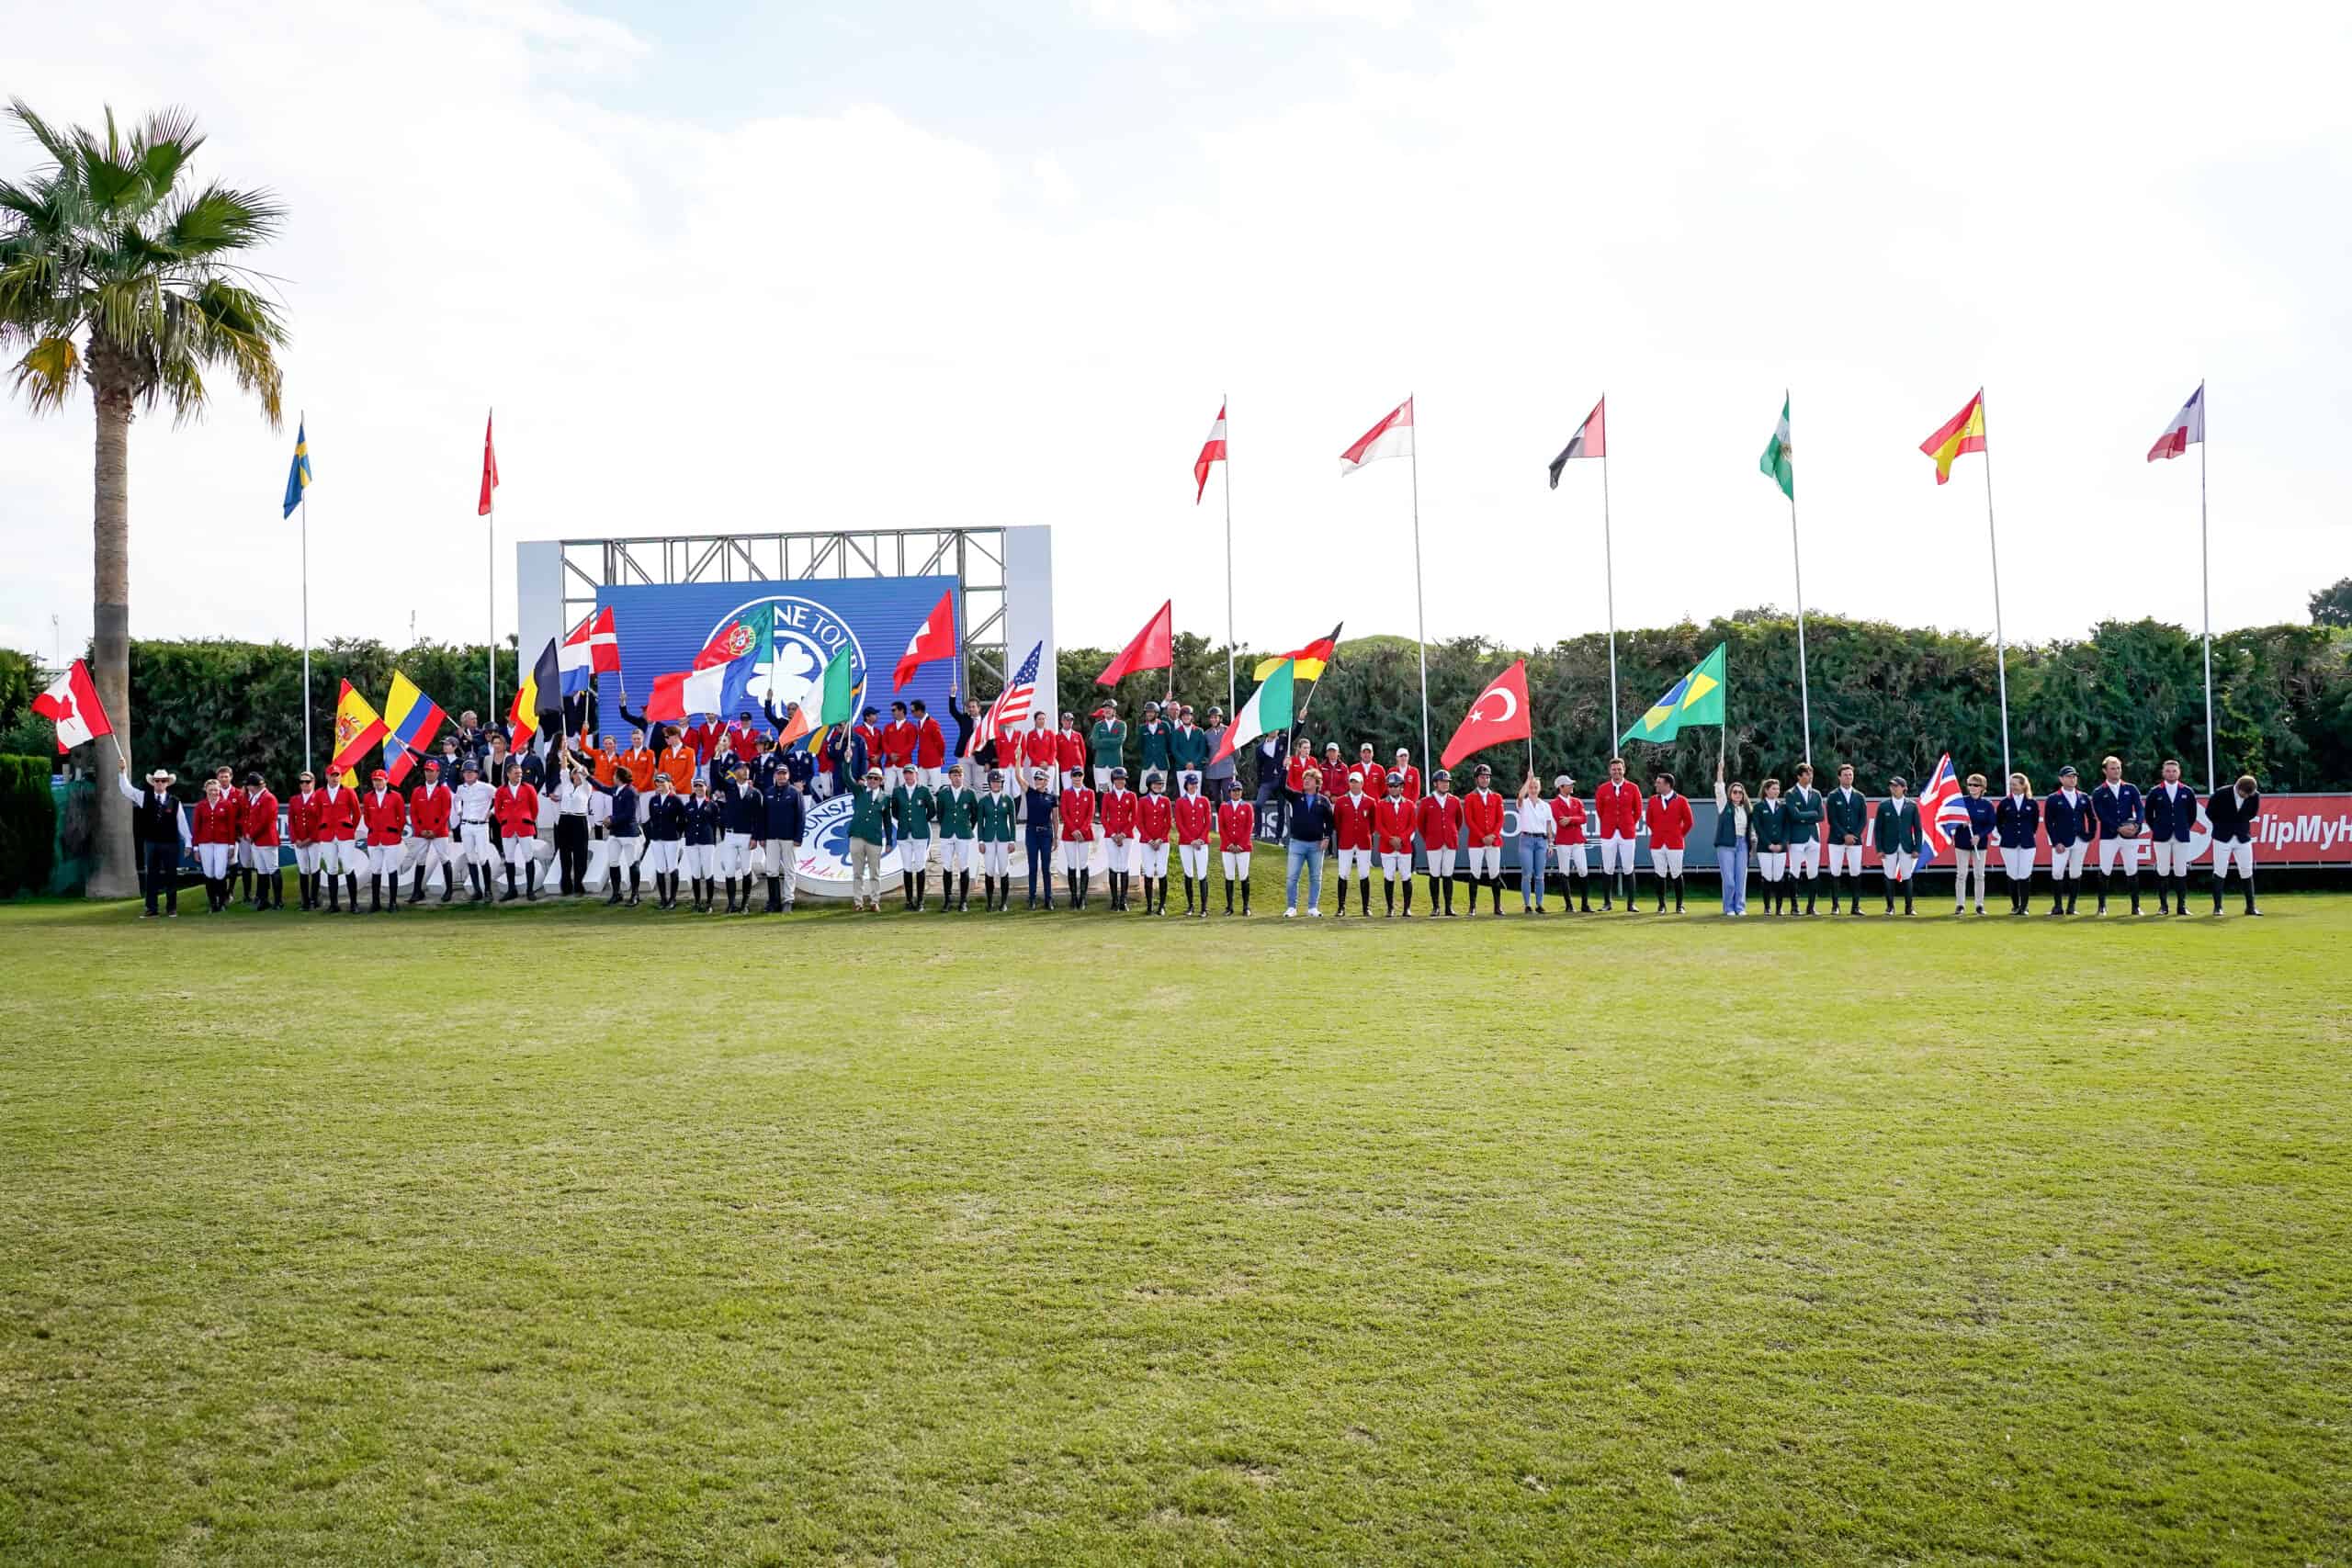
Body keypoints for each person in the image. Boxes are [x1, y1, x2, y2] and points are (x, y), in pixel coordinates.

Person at [120, 765, 187, 917]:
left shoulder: (175, 801)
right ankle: (151, 908)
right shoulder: (144, 796)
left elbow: (182, 823)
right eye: (157, 780)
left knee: (171, 875)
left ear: (167, 783)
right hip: (151, 842)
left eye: (163, 781)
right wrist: (123, 772)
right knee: (151, 876)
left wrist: (189, 842)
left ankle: (171, 908)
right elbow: (126, 789)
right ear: (153, 782)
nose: (160, 783)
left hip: (170, 843)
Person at [2090, 754, 2147, 916]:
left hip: (2130, 836)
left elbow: (2140, 809)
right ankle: (2102, 906)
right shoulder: (2099, 792)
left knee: (2132, 868)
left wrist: (2137, 825)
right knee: (2105, 869)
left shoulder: (2131, 788)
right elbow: (2101, 815)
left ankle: (2136, 906)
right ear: (2105, 771)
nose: (2116, 771)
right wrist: (2117, 828)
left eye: (2118, 768)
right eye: (2113, 768)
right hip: (2109, 837)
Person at [2144, 759, 2199, 916]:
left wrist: (2184, 827)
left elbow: (2192, 814)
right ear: (2163, 773)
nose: (2171, 774)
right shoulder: (2155, 792)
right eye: (2168, 771)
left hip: (2181, 835)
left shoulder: (2187, 791)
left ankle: (2182, 906)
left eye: (2174, 771)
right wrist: (2157, 828)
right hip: (2161, 836)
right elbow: (2148, 815)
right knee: (2163, 869)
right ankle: (2163, 906)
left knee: (2181, 869)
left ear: (2179, 773)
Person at [2206, 773, 2262, 916]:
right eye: (2244, 794)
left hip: (2243, 836)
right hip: (2222, 837)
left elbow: (2252, 814)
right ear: (2238, 787)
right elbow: (2209, 812)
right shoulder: (2221, 793)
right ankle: (2218, 907)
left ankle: (2251, 907)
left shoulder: (2255, 796)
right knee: (2220, 870)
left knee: (2247, 870)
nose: (2247, 797)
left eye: (2249, 795)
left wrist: (2239, 823)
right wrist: (2223, 824)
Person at [588, 764, 644, 906]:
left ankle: (635, 894)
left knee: (632, 863)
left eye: (614, 775)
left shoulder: (631, 792)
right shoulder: (616, 790)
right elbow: (601, 787)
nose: (613, 777)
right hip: (615, 833)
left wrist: (612, 819)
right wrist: (587, 776)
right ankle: (616, 893)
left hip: (629, 833)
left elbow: (629, 814)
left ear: (619, 777)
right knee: (613, 862)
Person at [1283, 765, 1335, 919]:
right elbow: (1281, 787)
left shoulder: (1324, 801)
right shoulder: (1296, 797)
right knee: (1292, 877)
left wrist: (1327, 837)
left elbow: (1330, 822)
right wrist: (1285, 769)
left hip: (1316, 845)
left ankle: (1312, 907)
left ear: (1317, 783)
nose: (1306, 781)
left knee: (1315, 878)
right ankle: (1291, 907)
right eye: (1305, 779)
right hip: (1297, 843)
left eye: (1310, 779)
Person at [1593, 757, 1642, 912]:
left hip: (1627, 833)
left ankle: (1631, 903)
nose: (1617, 772)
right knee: (1608, 867)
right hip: (1608, 833)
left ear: (1624, 770)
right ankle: (1607, 902)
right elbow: (1600, 810)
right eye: (1614, 769)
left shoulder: (1633, 788)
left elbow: (1638, 811)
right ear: (1610, 771)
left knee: (1628, 867)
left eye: (1619, 769)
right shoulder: (1602, 789)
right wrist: (1610, 823)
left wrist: (1628, 823)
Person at [2043, 765, 2093, 916]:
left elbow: (2091, 818)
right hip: (2062, 841)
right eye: (2069, 776)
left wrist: (2089, 835)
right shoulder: (2053, 798)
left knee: (2076, 872)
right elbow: (2048, 823)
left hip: (2080, 839)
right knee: (2057, 872)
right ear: (2061, 779)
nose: (2072, 779)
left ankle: (2072, 906)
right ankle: (2058, 906)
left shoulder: (2083, 797)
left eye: (2074, 776)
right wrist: (2055, 841)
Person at [1459, 763, 1508, 916]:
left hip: (1493, 841)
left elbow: (1500, 819)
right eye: (1482, 777)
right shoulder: (1470, 797)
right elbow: (1469, 820)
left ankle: (1497, 906)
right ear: (1476, 779)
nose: (1485, 779)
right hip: (1476, 841)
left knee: (1495, 873)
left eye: (1487, 777)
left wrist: (1493, 835)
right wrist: (1482, 836)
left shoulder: (1497, 797)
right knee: (1475, 873)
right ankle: (1472, 907)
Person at [407, 761, 458, 905]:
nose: (429, 773)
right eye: (427, 771)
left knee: (444, 859)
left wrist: (435, 830)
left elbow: (446, 812)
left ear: (437, 772)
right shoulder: (417, 791)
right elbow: (413, 813)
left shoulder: (444, 790)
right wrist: (420, 830)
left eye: (432, 771)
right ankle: (417, 892)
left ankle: (449, 890)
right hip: (421, 832)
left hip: (439, 832)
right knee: (420, 860)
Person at [716, 761, 763, 913]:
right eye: (742, 769)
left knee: (746, 869)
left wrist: (755, 837)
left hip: (746, 836)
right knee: (729, 870)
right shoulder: (729, 788)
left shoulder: (755, 793)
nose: (746, 771)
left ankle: (745, 904)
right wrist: (716, 758)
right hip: (730, 835)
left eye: (747, 768)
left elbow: (759, 818)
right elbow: (716, 776)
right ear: (735, 773)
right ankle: (731, 904)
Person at [933, 760, 979, 911]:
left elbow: (975, 815)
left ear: (963, 776)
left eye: (959, 775)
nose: (957, 778)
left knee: (963, 866)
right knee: (947, 866)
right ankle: (947, 900)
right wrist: (947, 825)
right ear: (950, 777)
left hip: (963, 834)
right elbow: (940, 814)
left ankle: (963, 901)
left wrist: (967, 826)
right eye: (954, 775)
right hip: (947, 834)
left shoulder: (970, 793)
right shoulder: (943, 793)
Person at [360, 768, 408, 914]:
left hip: (391, 839)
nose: (377, 783)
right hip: (374, 839)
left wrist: (395, 833)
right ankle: (375, 903)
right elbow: (367, 818)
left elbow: (401, 818)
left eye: (380, 780)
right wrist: (374, 829)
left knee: (392, 869)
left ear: (386, 780)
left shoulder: (396, 796)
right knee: (375, 870)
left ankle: (393, 902)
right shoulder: (368, 797)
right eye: (375, 780)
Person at [1645, 771, 1695, 914]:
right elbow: (1649, 820)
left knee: (1676, 873)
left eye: (1659, 783)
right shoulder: (1653, 800)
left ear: (1667, 785)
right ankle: (1661, 905)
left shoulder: (1681, 800)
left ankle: (1679, 905)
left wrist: (1679, 835)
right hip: (1657, 843)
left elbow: (1689, 822)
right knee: (1659, 873)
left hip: (1675, 844)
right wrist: (1659, 832)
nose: (1656, 785)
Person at [1418, 768, 1465, 917]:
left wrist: (1451, 833)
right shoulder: (1426, 802)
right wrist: (1429, 837)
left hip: (1450, 842)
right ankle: (1436, 907)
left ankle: (1449, 907)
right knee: (1434, 874)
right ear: (1435, 784)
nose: (1445, 784)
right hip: (1433, 842)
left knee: (1448, 874)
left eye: (1447, 782)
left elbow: (1459, 821)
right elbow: (1421, 824)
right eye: (1442, 782)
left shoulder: (1454, 800)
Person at [888, 764, 936, 911]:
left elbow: (932, 811)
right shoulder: (898, 791)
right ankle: (909, 901)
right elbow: (895, 811)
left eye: (911, 773)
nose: (908, 776)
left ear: (916, 774)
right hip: (904, 834)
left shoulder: (924, 790)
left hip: (920, 834)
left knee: (920, 866)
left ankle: (920, 901)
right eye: (906, 773)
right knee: (907, 867)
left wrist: (921, 821)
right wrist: (905, 822)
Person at [1873, 773, 1922, 915]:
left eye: (1896, 786)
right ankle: (1890, 907)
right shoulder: (1884, 806)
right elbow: (1878, 829)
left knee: (1907, 875)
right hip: (1888, 846)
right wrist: (1879, 848)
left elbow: (1918, 829)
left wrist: (1917, 848)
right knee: (1889, 875)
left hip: (1907, 845)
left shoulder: (1912, 805)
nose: (1893, 788)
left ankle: (1909, 907)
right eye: (1891, 786)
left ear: (1904, 788)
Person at [314, 767, 362, 912]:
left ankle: (354, 904)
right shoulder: (319, 793)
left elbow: (357, 813)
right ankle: (334, 905)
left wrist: (351, 829)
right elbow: (317, 814)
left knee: (348, 867)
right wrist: (322, 828)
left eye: (337, 775)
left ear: (340, 776)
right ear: (326, 776)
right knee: (331, 868)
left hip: (345, 835)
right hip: (327, 835)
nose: (335, 778)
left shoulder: (348, 791)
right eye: (332, 775)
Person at [1950, 772, 1997, 916]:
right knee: (1961, 874)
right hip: (1962, 842)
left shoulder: (1987, 805)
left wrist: (1979, 836)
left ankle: (1979, 905)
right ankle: (1960, 905)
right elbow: (1951, 818)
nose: (1972, 787)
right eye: (1970, 784)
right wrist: (1960, 823)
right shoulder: (1961, 802)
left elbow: (1991, 824)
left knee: (1979, 875)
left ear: (1982, 787)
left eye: (1975, 785)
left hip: (1980, 844)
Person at [1333, 769, 1379, 917]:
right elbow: (1337, 823)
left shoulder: (1370, 801)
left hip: (1364, 842)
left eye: (1357, 782)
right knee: (1343, 873)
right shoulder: (1341, 801)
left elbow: (1373, 824)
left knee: (1364, 873)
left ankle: (1366, 908)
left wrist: (1366, 833)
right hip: (1346, 841)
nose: (1354, 785)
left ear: (1362, 783)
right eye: (1352, 782)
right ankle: (1341, 907)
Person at [187, 777, 238, 912]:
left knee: (220, 872)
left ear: (219, 790)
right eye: (210, 790)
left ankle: (222, 902)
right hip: (205, 843)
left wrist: (232, 845)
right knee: (208, 873)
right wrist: (195, 848)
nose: (213, 792)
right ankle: (212, 904)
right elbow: (196, 828)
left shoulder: (226, 804)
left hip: (222, 843)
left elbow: (231, 826)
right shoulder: (201, 806)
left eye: (216, 790)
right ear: (206, 790)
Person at [492, 762, 541, 902]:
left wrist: (528, 819)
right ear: (508, 774)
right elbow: (497, 810)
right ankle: (511, 890)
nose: (519, 775)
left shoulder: (529, 788)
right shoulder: (501, 790)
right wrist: (504, 821)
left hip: (525, 827)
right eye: (516, 773)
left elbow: (535, 808)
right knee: (509, 859)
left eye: (520, 773)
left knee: (529, 857)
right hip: (508, 828)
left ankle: (530, 890)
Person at [1824, 763, 1868, 914]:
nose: (1848, 777)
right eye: (1845, 775)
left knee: (1855, 871)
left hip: (1855, 841)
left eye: (1850, 775)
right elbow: (1832, 819)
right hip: (1836, 840)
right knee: (1835, 871)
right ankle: (1835, 906)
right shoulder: (1833, 796)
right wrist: (1844, 835)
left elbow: (1863, 819)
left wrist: (1853, 835)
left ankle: (1856, 906)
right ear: (1839, 777)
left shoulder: (1859, 796)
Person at [1995, 773, 2040, 916]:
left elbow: (2034, 824)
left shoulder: (2032, 803)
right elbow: (1999, 822)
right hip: (2008, 843)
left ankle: (2024, 907)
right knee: (2012, 874)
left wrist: (2026, 834)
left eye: (2015, 784)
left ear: (2023, 785)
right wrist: (2007, 834)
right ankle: (2015, 906)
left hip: (2027, 843)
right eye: (2011, 784)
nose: (2012, 787)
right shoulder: (2004, 803)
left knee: (2025, 873)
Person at [1712, 761, 1754, 917]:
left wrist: (1751, 847)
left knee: (1741, 878)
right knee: (1729, 880)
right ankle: (1728, 907)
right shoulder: (1724, 805)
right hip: (1726, 845)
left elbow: (1751, 831)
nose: (1737, 794)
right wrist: (1720, 771)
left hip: (1743, 844)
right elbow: (1719, 789)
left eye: (1740, 792)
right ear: (1730, 793)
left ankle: (1740, 907)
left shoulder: (1747, 809)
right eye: (1735, 792)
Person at [452, 759, 497, 903]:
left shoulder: (486, 787)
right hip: (466, 825)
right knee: (471, 858)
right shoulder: (461, 788)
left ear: (477, 774)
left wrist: (492, 812)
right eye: (466, 772)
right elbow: (456, 800)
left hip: (481, 825)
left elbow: (501, 798)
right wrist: (459, 811)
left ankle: (488, 890)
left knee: (483, 858)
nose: (468, 775)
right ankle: (477, 890)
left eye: (471, 772)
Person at [1375, 771, 1419, 918]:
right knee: (1389, 877)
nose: (1393, 788)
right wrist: (1390, 839)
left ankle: (1407, 908)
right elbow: (1379, 825)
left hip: (1404, 846)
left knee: (1406, 876)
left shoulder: (1410, 805)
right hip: (1387, 846)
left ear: (1402, 787)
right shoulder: (1381, 804)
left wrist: (1401, 839)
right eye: (1390, 786)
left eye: (1396, 786)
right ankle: (1390, 908)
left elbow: (1412, 825)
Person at [975, 768, 1019, 912]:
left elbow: (1012, 822)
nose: (995, 784)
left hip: (1003, 838)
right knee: (989, 870)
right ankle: (989, 902)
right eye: (993, 782)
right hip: (988, 839)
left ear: (1002, 783)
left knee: (1003, 869)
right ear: (989, 783)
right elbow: (980, 822)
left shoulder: (1008, 799)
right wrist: (980, 841)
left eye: (998, 782)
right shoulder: (983, 801)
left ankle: (1004, 902)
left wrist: (1012, 840)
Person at [641, 772, 687, 909]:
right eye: (658, 782)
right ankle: (663, 899)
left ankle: (673, 899)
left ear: (669, 783)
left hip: (671, 839)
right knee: (660, 868)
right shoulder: (653, 800)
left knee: (672, 867)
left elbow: (683, 819)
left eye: (662, 782)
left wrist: (677, 833)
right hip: (657, 839)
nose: (660, 784)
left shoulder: (675, 800)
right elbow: (652, 819)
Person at [1783, 762, 1824, 915]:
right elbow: (1794, 815)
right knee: (1795, 870)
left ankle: (1811, 906)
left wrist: (1803, 816)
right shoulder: (1791, 794)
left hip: (1813, 837)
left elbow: (1821, 816)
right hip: (1797, 837)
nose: (1810, 777)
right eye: (1807, 774)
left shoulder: (1816, 794)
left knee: (1813, 871)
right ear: (1799, 776)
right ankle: (1794, 906)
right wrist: (1811, 814)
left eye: (1811, 774)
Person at [238, 771, 282, 909]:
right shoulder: (256, 797)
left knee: (273, 869)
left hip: (266, 839)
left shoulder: (268, 798)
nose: (247, 788)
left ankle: (278, 901)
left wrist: (251, 834)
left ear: (254, 786)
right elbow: (250, 818)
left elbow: (264, 821)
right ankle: (264, 899)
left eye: (249, 785)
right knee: (261, 870)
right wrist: (248, 833)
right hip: (256, 840)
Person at [679, 776, 724, 912]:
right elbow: (683, 823)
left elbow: (716, 823)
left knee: (708, 871)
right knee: (695, 872)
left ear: (706, 788)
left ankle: (709, 903)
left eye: (701, 786)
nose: (698, 788)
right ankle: (697, 902)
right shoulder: (688, 805)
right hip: (692, 841)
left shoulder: (712, 805)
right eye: (696, 786)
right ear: (693, 788)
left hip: (707, 841)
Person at [1098, 765, 1139, 911]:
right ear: (1113, 780)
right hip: (1111, 836)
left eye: (1122, 779)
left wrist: (1123, 834)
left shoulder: (1131, 796)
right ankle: (1114, 901)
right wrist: (1113, 834)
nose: (1120, 781)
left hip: (1126, 836)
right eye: (1117, 779)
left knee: (1124, 865)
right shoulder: (1107, 796)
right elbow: (1103, 818)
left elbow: (1134, 818)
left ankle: (1123, 900)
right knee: (1113, 866)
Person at [1170, 773, 1211, 918]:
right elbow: (1179, 823)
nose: (1193, 786)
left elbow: (1208, 822)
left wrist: (1200, 839)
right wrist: (1191, 840)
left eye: (1195, 784)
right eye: (1191, 784)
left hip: (1201, 843)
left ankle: (1204, 907)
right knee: (1188, 873)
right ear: (1186, 785)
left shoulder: (1204, 800)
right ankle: (1190, 905)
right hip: (1186, 843)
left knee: (1202, 873)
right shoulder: (1180, 802)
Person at [552, 761, 596, 897]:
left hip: (579, 820)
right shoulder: (566, 785)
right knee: (564, 854)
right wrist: (565, 754)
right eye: (575, 772)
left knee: (580, 855)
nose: (578, 774)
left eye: (579, 772)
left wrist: (571, 758)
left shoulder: (587, 787)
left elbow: (583, 770)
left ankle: (579, 886)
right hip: (564, 819)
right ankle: (566, 886)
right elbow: (563, 770)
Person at [1548, 774, 1589, 913]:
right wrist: (1575, 819)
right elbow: (1561, 821)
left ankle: (1585, 904)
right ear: (1561, 787)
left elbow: (1584, 818)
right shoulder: (1554, 804)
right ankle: (1569, 905)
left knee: (1583, 870)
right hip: (1563, 841)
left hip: (1577, 840)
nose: (1572, 786)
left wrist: (1571, 819)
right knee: (1564, 871)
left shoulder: (1577, 801)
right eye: (1568, 784)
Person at [1136, 770, 1175, 915]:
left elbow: (1168, 822)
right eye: (1156, 784)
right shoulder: (1142, 801)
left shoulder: (1165, 801)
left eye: (1160, 784)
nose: (1158, 786)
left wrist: (1160, 839)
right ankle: (1149, 906)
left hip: (1162, 842)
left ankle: (1162, 906)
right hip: (1147, 842)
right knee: (1149, 871)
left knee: (1162, 871)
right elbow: (1139, 822)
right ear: (1149, 785)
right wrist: (1150, 840)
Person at [1021, 767, 1060, 909]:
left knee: (1046, 868)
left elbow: (1055, 818)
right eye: (1036, 779)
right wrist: (1018, 759)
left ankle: (1048, 899)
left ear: (1046, 781)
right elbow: (1019, 777)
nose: (1037, 781)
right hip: (1031, 833)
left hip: (1046, 834)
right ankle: (1032, 898)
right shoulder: (1030, 792)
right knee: (1032, 867)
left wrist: (1056, 837)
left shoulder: (1052, 797)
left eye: (1040, 779)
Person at [1750, 776, 1790, 915]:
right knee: (1767, 876)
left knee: (1779, 876)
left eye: (1778, 789)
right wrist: (1769, 844)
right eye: (1774, 788)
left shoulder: (1783, 807)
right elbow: (1758, 827)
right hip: (1764, 847)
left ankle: (1779, 908)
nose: (1777, 791)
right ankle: (1767, 907)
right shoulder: (1758, 807)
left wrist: (1782, 844)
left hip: (1781, 848)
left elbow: (1787, 827)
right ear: (1766, 790)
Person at [1514, 771, 1553, 913]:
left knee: (1540, 876)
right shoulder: (1523, 803)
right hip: (1526, 840)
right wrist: (1528, 780)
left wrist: (1550, 843)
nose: (1533, 789)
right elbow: (1520, 796)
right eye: (1531, 787)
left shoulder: (1545, 806)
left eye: (1535, 787)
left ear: (1539, 789)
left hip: (1541, 841)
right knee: (1527, 874)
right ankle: (1527, 905)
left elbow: (1548, 826)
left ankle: (1539, 904)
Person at [1216, 778, 1255, 916]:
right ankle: (1229, 907)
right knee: (1229, 876)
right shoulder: (1224, 807)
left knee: (1244, 875)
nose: (1236, 793)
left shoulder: (1247, 807)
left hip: (1243, 848)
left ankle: (1246, 907)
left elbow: (1249, 827)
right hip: (1228, 847)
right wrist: (1229, 844)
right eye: (1234, 790)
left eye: (1238, 790)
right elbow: (1222, 827)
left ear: (1241, 792)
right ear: (1229, 792)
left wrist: (1240, 845)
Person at [286, 770, 322, 910]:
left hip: (314, 840)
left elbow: (320, 821)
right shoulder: (294, 799)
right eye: (302, 782)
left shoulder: (318, 798)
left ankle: (314, 898)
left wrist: (310, 839)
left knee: (315, 868)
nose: (305, 784)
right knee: (303, 869)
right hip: (299, 840)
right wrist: (295, 839)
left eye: (307, 781)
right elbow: (291, 821)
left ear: (313, 782)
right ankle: (305, 900)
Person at [1253, 728, 1290, 840]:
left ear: (1278, 730)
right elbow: (1259, 767)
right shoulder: (1259, 748)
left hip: (1281, 780)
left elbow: (1295, 732)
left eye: (1275, 729)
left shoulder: (1283, 740)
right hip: (1267, 781)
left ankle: (1278, 838)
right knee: (1258, 805)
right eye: (1271, 728)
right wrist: (1260, 783)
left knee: (1281, 809)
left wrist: (1300, 721)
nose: (1273, 730)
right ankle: (1258, 833)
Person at [1201, 708, 1235, 807]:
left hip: (1227, 769)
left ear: (1220, 718)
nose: (1213, 720)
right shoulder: (1206, 734)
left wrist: (1231, 762)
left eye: (1215, 717)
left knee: (1228, 795)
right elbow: (1205, 752)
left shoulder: (1228, 730)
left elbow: (1236, 751)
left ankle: (1229, 815)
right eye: (1211, 718)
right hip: (1213, 770)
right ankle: (1220, 815)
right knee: (1216, 798)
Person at [1170, 709, 1209, 797]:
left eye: (1188, 715)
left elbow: (1202, 750)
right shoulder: (1176, 732)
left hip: (1196, 767)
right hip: (1181, 767)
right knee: (1182, 794)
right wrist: (1185, 763)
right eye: (1184, 715)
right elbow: (1174, 750)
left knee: (1197, 794)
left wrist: (1194, 763)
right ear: (1181, 718)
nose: (1186, 717)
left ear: (1191, 716)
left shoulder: (1199, 731)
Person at [1089, 705, 1126, 792]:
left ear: (1114, 711)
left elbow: (1120, 741)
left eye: (1109, 708)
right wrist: (1112, 741)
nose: (1107, 710)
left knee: (1116, 790)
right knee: (1103, 790)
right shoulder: (1098, 725)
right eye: (1105, 708)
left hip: (1116, 762)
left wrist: (1103, 741)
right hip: (1101, 763)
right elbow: (1095, 743)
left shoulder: (1121, 724)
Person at [1136, 702, 1170, 788]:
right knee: (1143, 789)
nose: (1149, 714)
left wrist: (1162, 753)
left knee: (1161, 789)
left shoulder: (1164, 725)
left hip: (1162, 762)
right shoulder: (1142, 728)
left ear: (1157, 713)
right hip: (1147, 762)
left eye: (1151, 712)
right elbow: (1140, 746)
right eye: (1147, 712)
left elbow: (1169, 743)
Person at [1057, 712, 1088, 789]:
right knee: (1067, 789)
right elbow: (1056, 754)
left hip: (1078, 767)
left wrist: (1082, 766)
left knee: (1079, 789)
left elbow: (1083, 751)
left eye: (1071, 720)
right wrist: (1062, 764)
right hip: (1065, 768)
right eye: (1067, 720)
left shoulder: (1078, 735)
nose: (1069, 722)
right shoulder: (1057, 737)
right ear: (1062, 721)